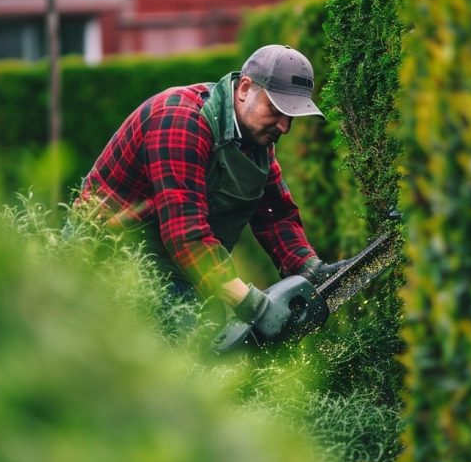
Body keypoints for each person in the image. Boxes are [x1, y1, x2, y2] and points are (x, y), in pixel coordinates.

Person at [75, 44, 348, 341]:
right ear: (245, 88)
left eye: (292, 116)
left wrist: (310, 270)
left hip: (175, 263)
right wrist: (254, 306)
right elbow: (186, 232)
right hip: (109, 255)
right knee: (189, 352)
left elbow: (275, 216)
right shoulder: (180, 121)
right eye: (277, 110)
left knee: (210, 338)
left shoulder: (257, 141)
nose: (285, 126)